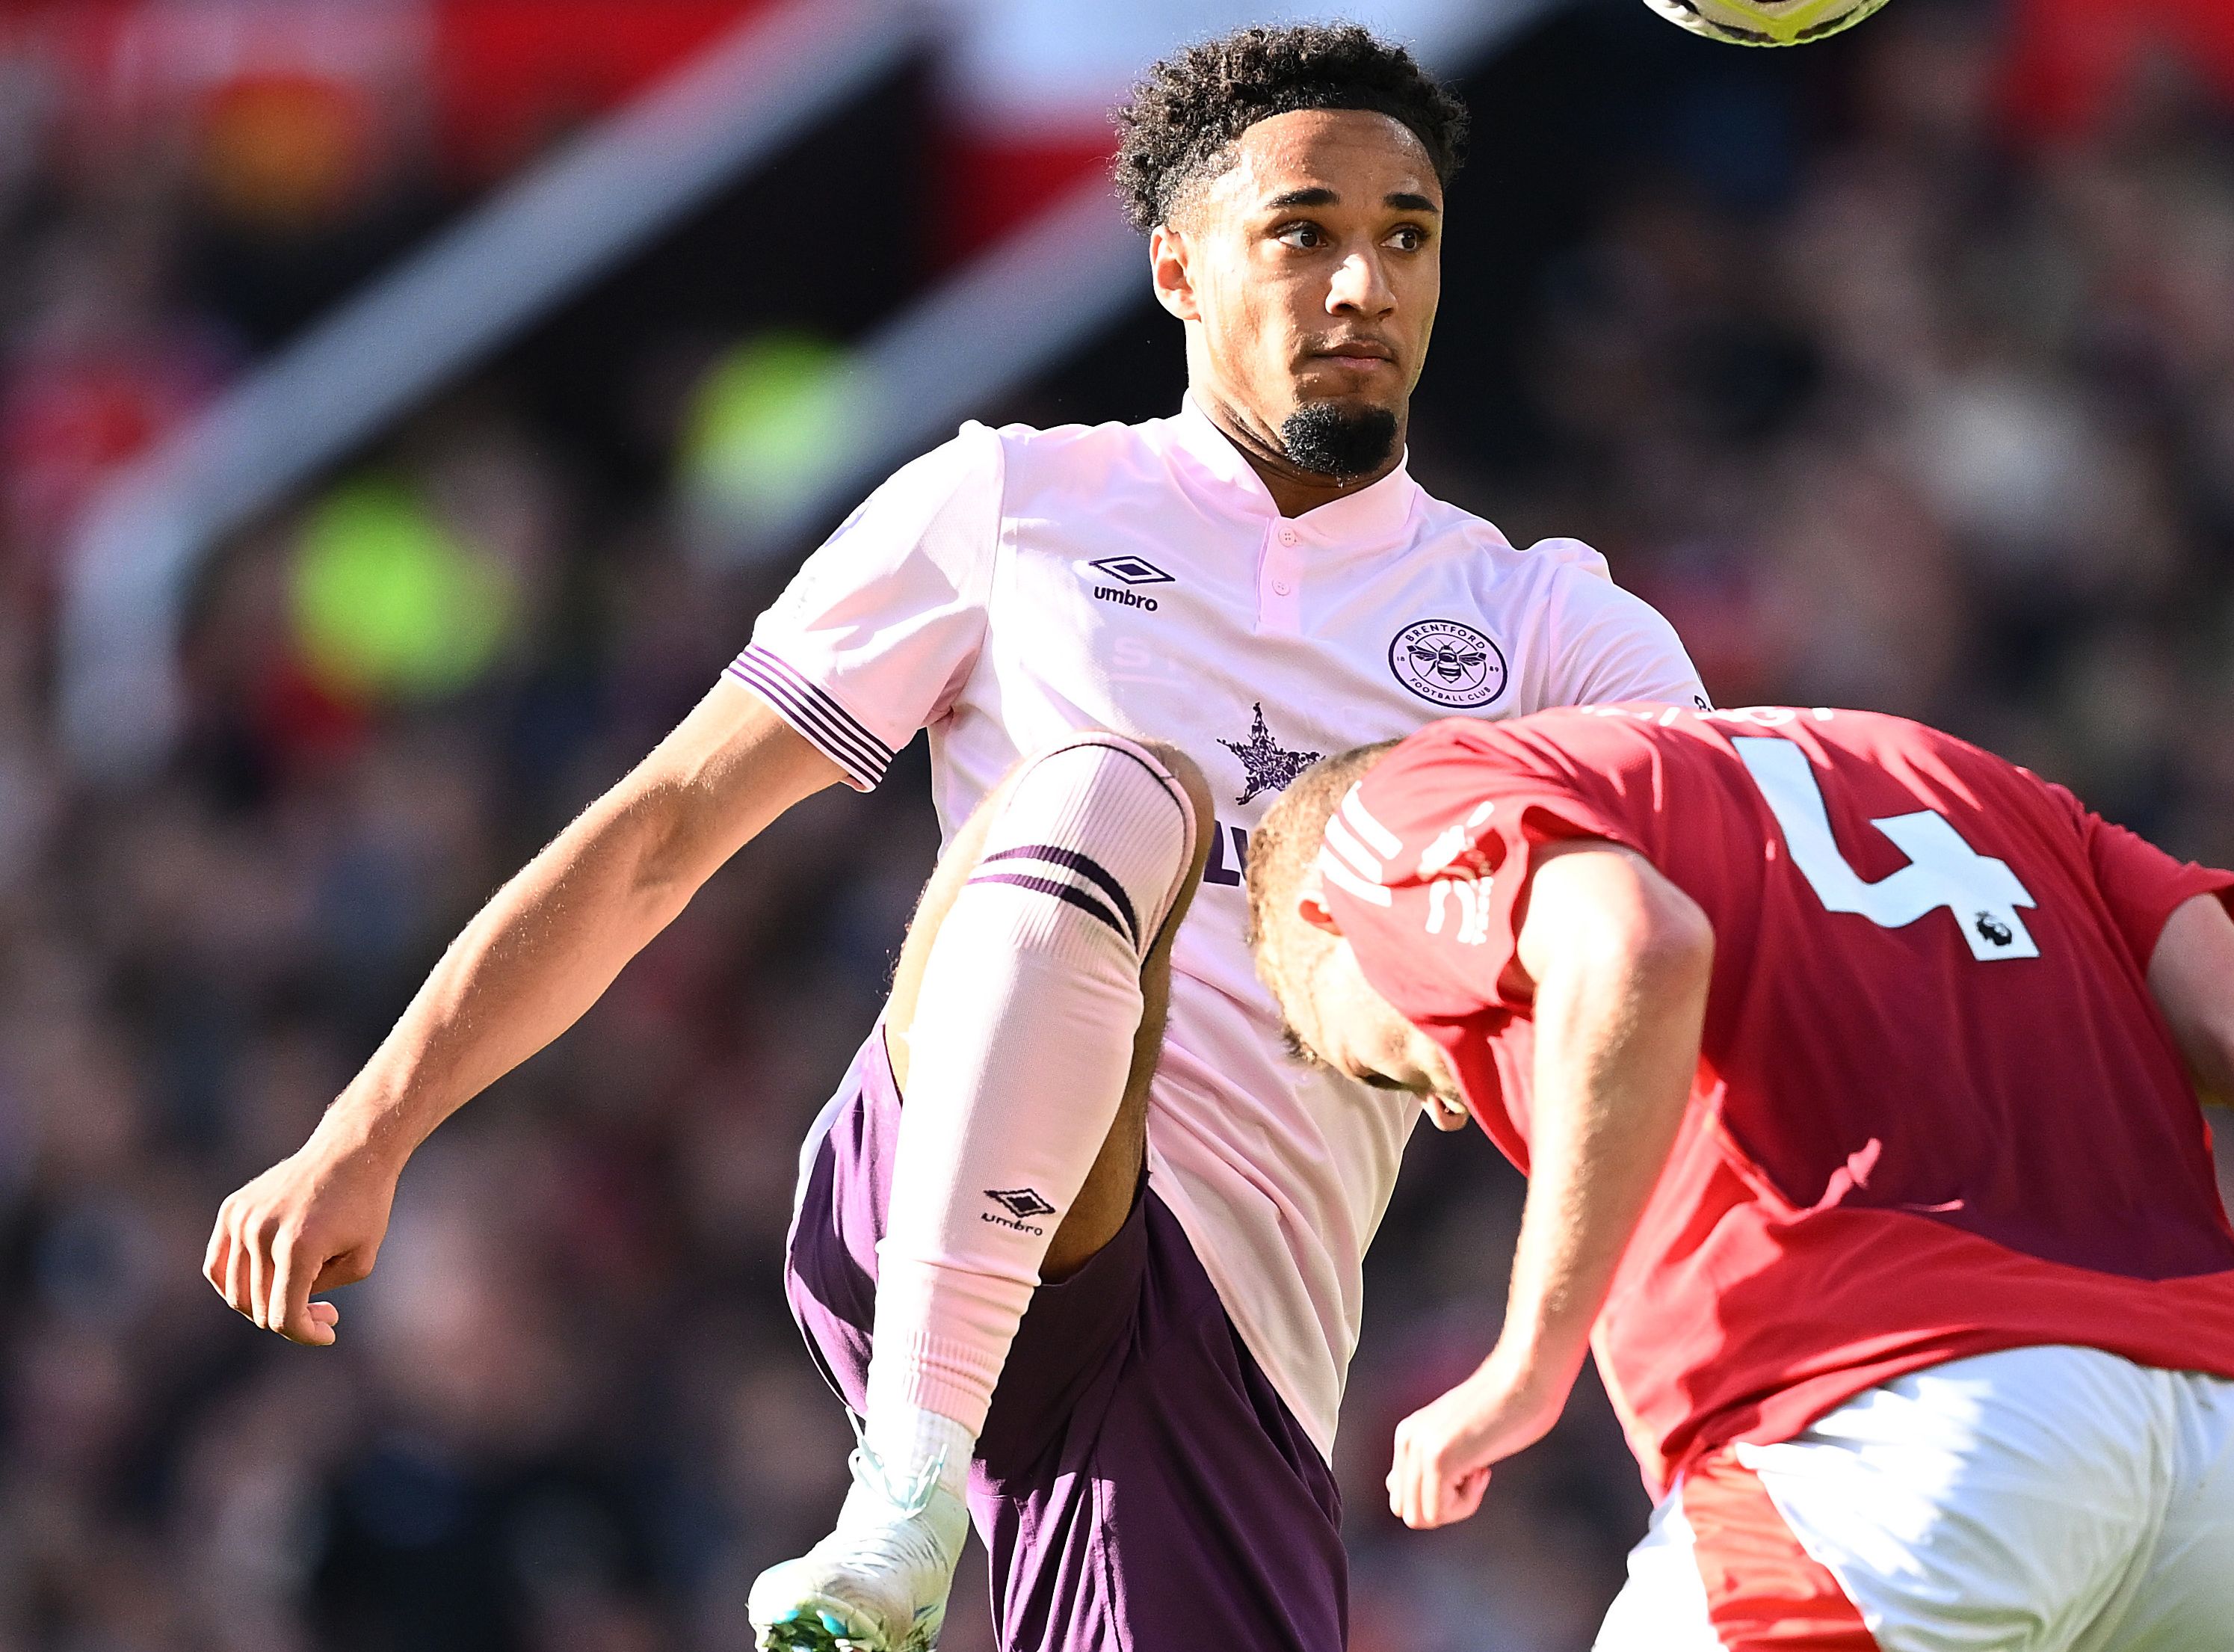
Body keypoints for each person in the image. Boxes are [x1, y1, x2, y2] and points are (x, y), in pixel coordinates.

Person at [202, 25, 1705, 1652]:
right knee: (1111, 791)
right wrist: (369, 1130)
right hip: (929, 1190)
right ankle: (899, 1494)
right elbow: (661, 832)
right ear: (1178, 271)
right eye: (1304, 234)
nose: (1364, 285)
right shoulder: (1012, 503)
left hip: (1238, 1343)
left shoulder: (1545, 620)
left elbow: (1746, 926)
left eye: (1404, 235)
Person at [1244, 703, 2234, 1652]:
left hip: (1898, 1441)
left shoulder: (1404, 810)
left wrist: (1526, 1363)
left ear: (1319, 918)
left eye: (1366, 1062)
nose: (1434, 1102)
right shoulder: (1983, 785)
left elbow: (1635, 946)